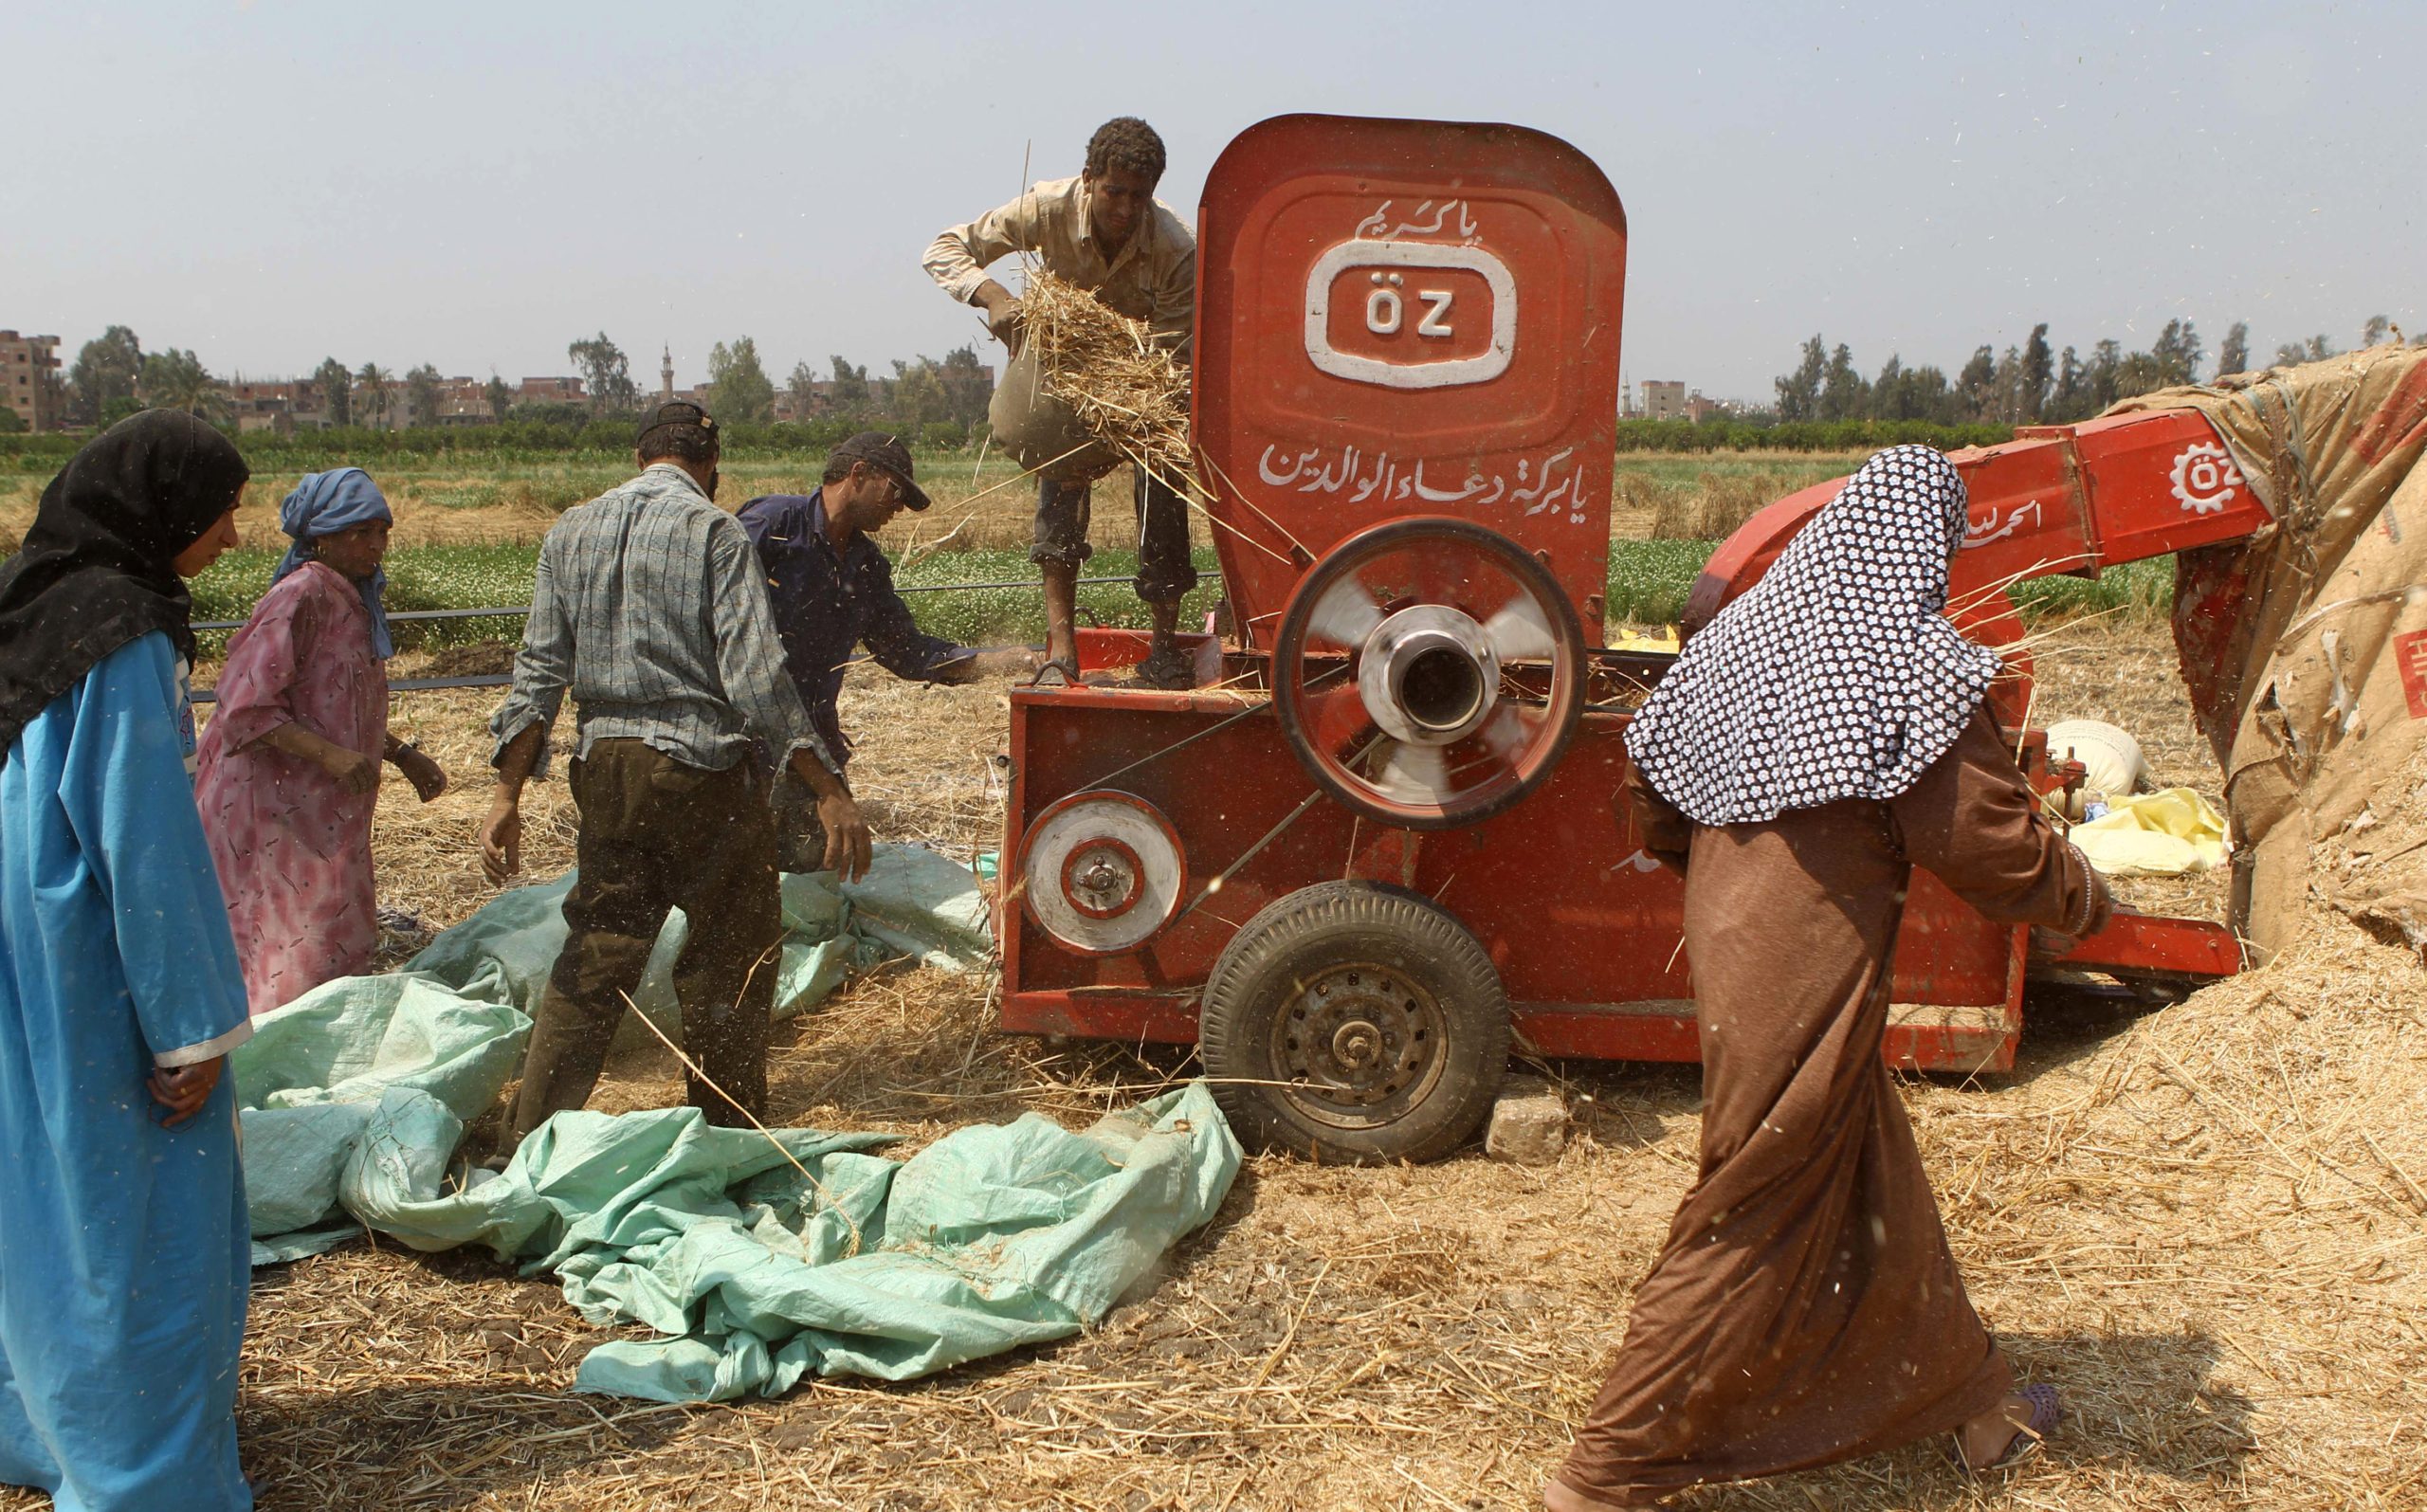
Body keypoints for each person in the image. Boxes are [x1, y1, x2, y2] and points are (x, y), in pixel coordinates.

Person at [1547, 446, 2113, 1509]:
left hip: (1730, 940)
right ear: (1925, 546)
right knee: (1757, 1192)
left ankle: (1976, 1405)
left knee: (1860, 1156)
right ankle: (1605, 1471)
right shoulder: (1906, 664)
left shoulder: (1740, 641)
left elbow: (1650, 786)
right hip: (1800, 966)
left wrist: (1728, 884)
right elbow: (1989, 848)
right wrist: (2085, 898)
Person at [482, 401, 869, 1148]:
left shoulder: (571, 529)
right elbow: (757, 679)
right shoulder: (715, 532)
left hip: (607, 772)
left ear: (640, 459)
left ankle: (524, 1141)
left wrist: (505, 793)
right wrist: (828, 789)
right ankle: (728, 1133)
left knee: (597, 953)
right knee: (731, 953)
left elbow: (537, 674)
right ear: (710, 468)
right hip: (702, 776)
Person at [0, 411, 257, 1510]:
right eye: (222, 510)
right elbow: (141, 841)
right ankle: (143, 1471)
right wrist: (191, 1029)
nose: (234, 536)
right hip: (88, 961)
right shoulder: (124, 632)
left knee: (34, 1195)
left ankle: (38, 1429)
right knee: (136, 1216)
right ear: (164, 510)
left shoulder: (30, 604)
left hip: (18, 946)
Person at [924, 115, 1199, 688]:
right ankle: (1062, 651)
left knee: (1165, 488)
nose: (1124, 209)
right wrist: (993, 294)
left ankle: (1166, 649)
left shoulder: (1175, 247)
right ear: (1088, 179)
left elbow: (1173, 352)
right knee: (1058, 477)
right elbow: (946, 248)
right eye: (1113, 193)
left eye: (1138, 197)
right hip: (1066, 370)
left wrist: (1126, 412)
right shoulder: (1047, 208)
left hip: (1143, 384)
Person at [195, 467, 448, 1014]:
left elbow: (337, 704)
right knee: (289, 942)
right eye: (360, 533)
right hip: (274, 808)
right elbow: (245, 707)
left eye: (383, 532)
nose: (375, 545)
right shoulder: (300, 595)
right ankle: (271, 1060)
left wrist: (401, 753)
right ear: (321, 538)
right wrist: (331, 756)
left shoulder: (353, 600)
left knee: (325, 932)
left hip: (323, 807)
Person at [736, 432, 1031, 868]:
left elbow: (906, 652)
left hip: (813, 740)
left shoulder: (866, 564)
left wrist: (994, 662)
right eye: (897, 492)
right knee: (738, 872)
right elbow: (712, 619)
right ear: (859, 474)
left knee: (814, 869)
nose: (899, 508)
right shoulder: (773, 526)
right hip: (740, 737)